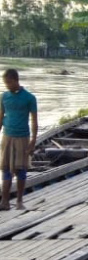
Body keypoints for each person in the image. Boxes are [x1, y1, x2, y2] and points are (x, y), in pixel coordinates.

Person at [0, 69, 38, 211]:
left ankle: (19, 201)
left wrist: (33, 140)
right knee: (5, 169)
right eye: (5, 83)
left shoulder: (29, 98)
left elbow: (34, 120)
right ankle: (4, 202)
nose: (7, 85)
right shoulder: (3, 97)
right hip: (7, 136)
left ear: (16, 80)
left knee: (20, 169)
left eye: (9, 82)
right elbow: (1, 116)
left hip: (22, 137)